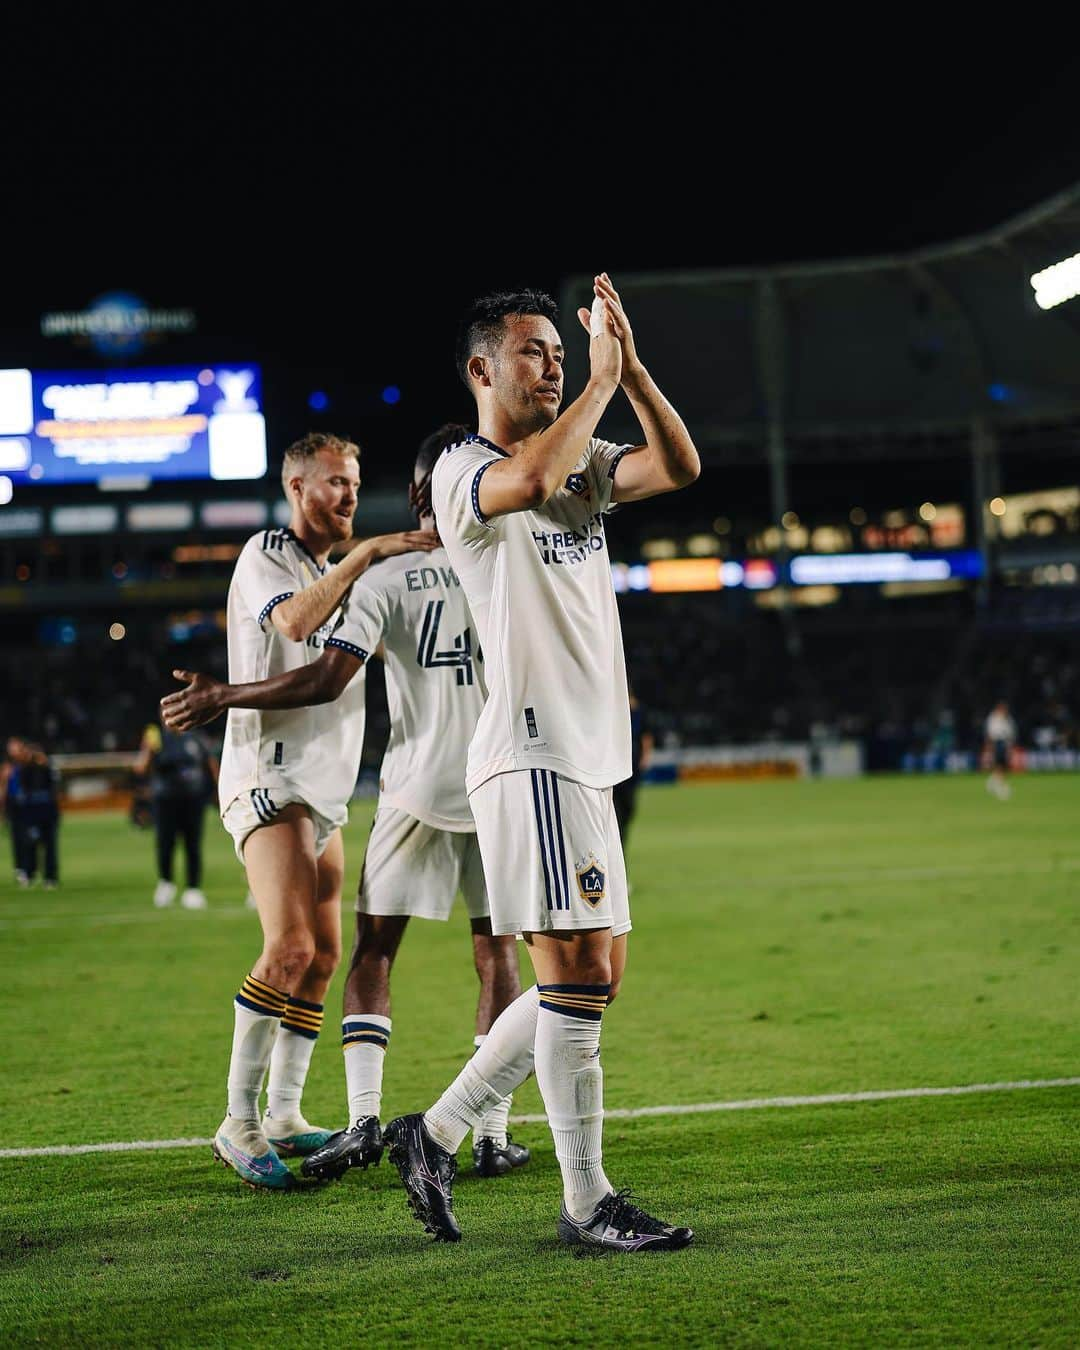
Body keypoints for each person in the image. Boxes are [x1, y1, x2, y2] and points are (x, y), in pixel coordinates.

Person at [380, 277, 701, 1251]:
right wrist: (599, 387)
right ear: (482, 369)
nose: (554, 362)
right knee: (572, 980)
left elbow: (679, 467)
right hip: (530, 752)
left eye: (562, 349)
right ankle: (587, 1200)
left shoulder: (583, 454)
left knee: (593, 979)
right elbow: (523, 485)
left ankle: (431, 1136)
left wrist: (631, 373)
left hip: (587, 755)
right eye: (533, 350)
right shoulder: (465, 468)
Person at [162, 424, 531, 1182]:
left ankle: (287, 1111)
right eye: (334, 481)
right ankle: (238, 1120)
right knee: (292, 948)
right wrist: (372, 554)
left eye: (356, 483)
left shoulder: (336, 570)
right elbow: (296, 625)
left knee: (328, 956)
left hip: (323, 789)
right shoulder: (271, 554)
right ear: (296, 486)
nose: (349, 494)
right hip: (271, 775)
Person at [135, 719, 218, 910]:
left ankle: (193, 889)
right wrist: (147, 749)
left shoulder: (195, 738)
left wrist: (218, 788)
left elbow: (210, 763)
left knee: (193, 843)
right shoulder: (157, 739)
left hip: (193, 799)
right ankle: (166, 883)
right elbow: (140, 768)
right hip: (165, 800)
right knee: (165, 842)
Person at [612, 687, 654, 848]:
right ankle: (618, 834)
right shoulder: (615, 711)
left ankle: (622, 829)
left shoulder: (639, 713)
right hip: (617, 765)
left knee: (628, 804)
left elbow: (646, 736)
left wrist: (645, 757)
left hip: (632, 764)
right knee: (617, 805)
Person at [983, 700, 1017, 799]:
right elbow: (990, 733)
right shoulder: (993, 718)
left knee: (1004, 765)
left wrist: (1010, 746)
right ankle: (999, 787)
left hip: (1005, 743)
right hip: (996, 743)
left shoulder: (1008, 719)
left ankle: (992, 782)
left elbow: (1012, 732)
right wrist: (989, 746)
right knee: (998, 764)